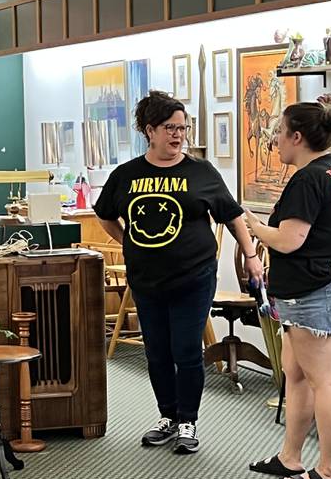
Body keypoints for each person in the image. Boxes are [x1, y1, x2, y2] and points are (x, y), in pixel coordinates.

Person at [94, 91, 263, 454]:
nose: (178, 135)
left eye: (182, 128)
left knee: (186, 350)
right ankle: (167, 416)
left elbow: (232, 216)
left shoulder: (199, 172)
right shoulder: (126, 175)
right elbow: (105, 213)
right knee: (157, 351)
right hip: (146, 278)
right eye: (170, 128)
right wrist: (128, 240)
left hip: (193, 276)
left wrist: (251, 256)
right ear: (149, 130)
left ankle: (188, 421)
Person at [246, 102, 331, 479]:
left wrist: (254, 226)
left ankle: (330, 470)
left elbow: (289, 240)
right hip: (324, 286)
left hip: (317, 292)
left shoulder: (308, 179)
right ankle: (290, 457)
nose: (274, 138)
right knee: (294, 372)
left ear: (297, 137)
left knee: (323, 381)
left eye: (279, 131)